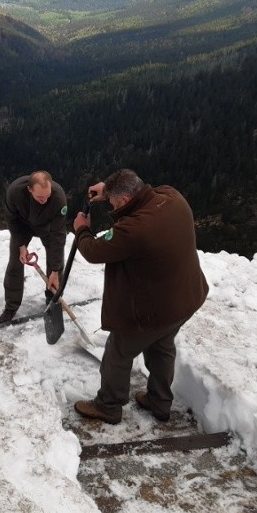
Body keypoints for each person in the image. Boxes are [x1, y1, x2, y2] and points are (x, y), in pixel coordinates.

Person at [71, 169, 209, 424]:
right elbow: (142, 189)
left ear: (123, 201)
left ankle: (108, 405)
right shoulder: (172, 196)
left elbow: (93, 250)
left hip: (153, 309)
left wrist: (82, 230)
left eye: (113, 202)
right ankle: (159, 401)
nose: (111, 205)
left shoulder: (133, 229)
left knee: (118, 352)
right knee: (162, 346)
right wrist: (109, 188)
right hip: (186, 298)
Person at [0, 171, 68, 324]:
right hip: (23, 227)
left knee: (56, 264)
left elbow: (58, 235)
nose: (44, 200)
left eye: (47, 196)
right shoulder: (15, 192)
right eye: (40, 197)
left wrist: (55, 270)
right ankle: (11, 306)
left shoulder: (58, 198)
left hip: (48, 228)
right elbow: (12, 221)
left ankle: (53, 299)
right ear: (30, 190)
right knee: (15, 264)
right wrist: (21, 245)